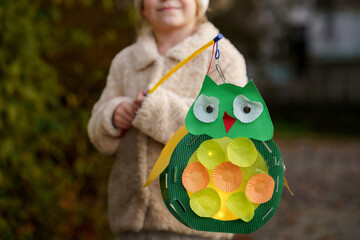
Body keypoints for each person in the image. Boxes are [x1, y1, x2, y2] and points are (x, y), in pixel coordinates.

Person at [88, 0, 248, 239]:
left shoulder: (221, 57)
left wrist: (157, 110)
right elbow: (97, 129)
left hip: (196, 220)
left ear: (199, 5)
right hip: (132, 220)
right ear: (141, 7)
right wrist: (113, 115)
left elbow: (228, 132)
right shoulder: (126, 61)